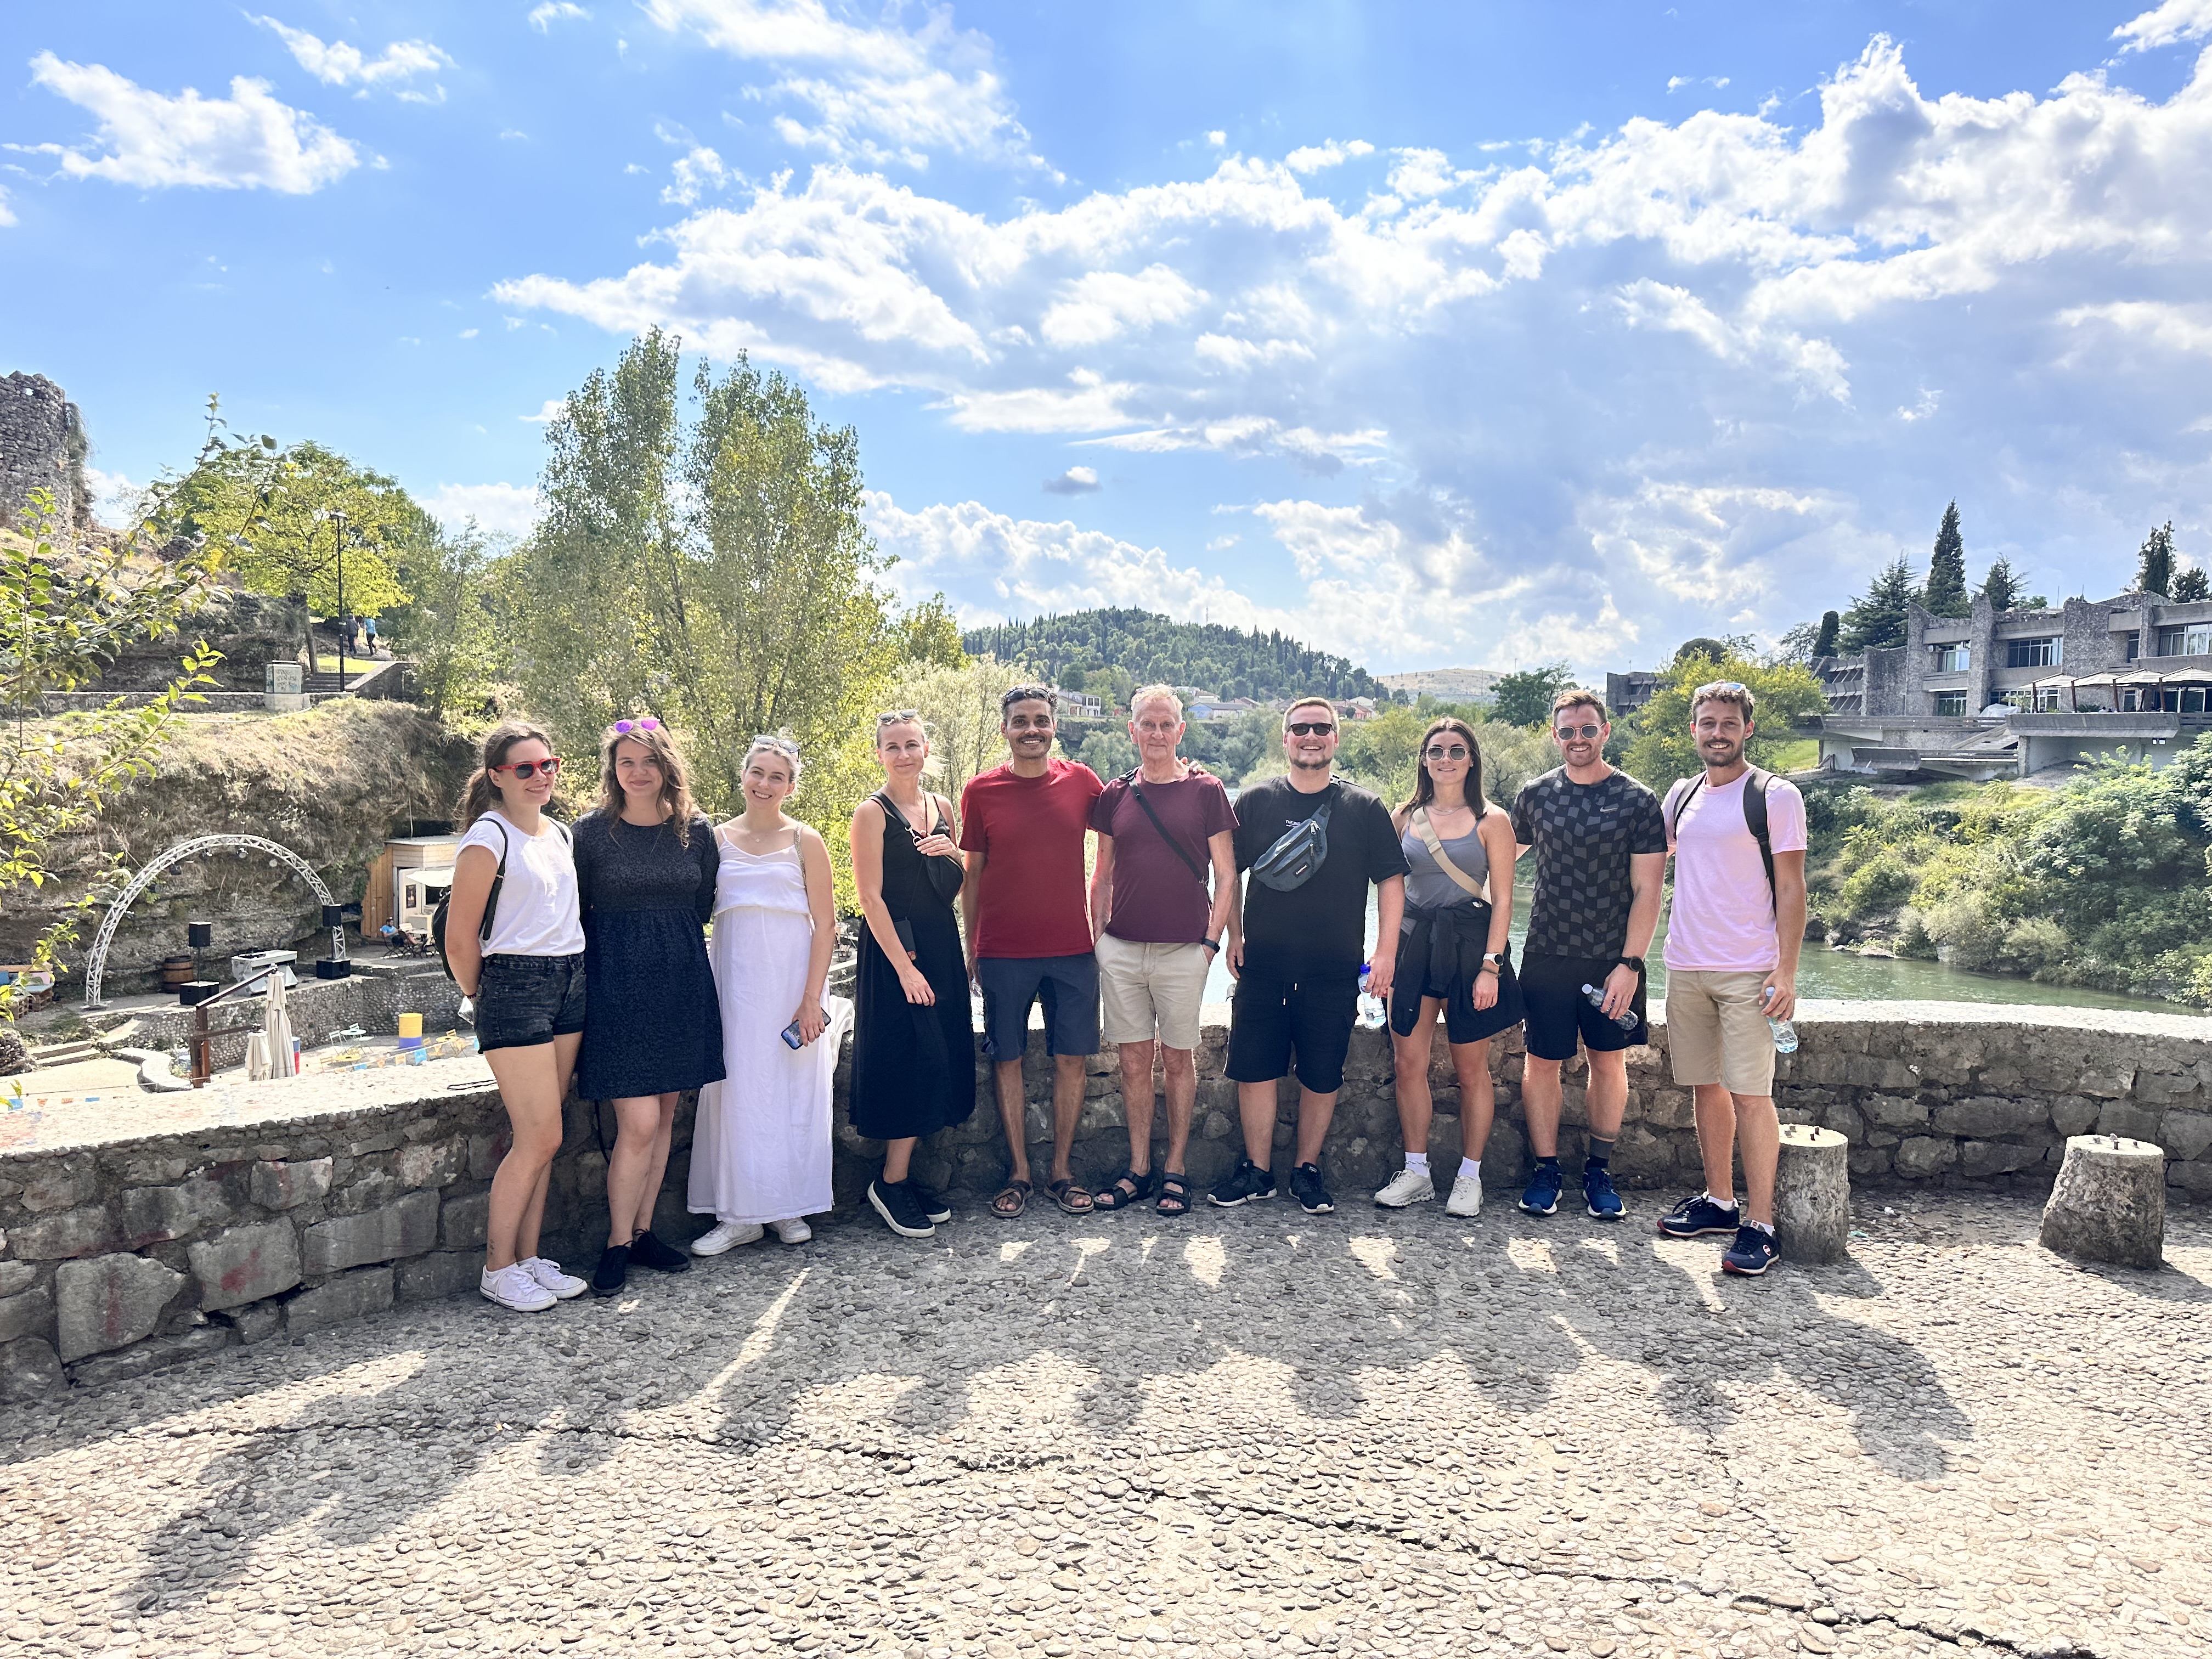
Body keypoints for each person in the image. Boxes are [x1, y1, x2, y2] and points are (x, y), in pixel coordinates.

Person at [1211, 698, 1408, 1216]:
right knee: (1254, 1068)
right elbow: (1228, 875)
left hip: (1333, 966)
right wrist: (1233, 936)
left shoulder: (1365, 809)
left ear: (1337, 739)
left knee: (1322, 1071)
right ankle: (1257, 1172)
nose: (1311, 736)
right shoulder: (1255, 802)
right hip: (1265, 963)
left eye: (1323, 728)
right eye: (1301, 728)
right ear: (1286, 739)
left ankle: (1306, 1170)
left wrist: (1386, 951)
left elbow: (1391, 881)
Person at [1654, 681, 1809, 1277]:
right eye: (1707, 723)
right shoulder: (1682, 794)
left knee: (1751, 1094)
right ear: (1693, 730)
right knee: (1705, 1087)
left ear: (1748, 729)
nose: (1717, 732)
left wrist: (1787, 970)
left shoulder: (1775, 795)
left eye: (1728, 723)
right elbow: (1650, 859)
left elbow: (1792, 886)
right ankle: (1720, 1202)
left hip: (1750, 969)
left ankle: (1762, 1225)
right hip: (1686, 963)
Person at [571, 718, 725, 1296]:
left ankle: (641, 1233)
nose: (638, 773)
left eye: (649, 762)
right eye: (626, 762)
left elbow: (702, 904)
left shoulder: (697, 832)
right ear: (613, 770)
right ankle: (615, 1243)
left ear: (667, 767)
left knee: (663, 1117)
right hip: (616, 987)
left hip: (681, 983)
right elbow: (575, 912)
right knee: (636, 1122)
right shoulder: (587, 835)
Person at [443, 721, 590, 1313]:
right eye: (524, 768)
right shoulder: (488, 837)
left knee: (548, 1137)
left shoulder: (558, 833)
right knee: (539, 1135)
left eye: (547, 765)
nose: (539, 777)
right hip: (516, 985)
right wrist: (490, 997)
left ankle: (528, 1260)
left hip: (570, 980)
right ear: (497, 777)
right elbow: (460, 940)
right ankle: (497, 1268)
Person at [1509, 691, 1666, 1222]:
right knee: (1542, 1062)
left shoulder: (1638, 800)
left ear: (1605, 731)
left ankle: (1599, 1170)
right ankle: (1546, 1170)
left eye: (1588, 729)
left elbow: (1649, 891)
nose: (1578, 739)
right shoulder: (1534, 796)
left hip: (1611, 959)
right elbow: (1496, 862)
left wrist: (1631, 964)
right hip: (1547, 951)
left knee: (1608, 1061)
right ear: (1555, 735)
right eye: (1568, 731)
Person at [1086, 686, 1237, 1218]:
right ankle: (1138, 1168)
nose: (1155, 733)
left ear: (1181, 731)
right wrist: (1099, 939)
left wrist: (1210, 945)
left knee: (1178, 1059)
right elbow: (1101, 874)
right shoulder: (1114, 795)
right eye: (1146, 724)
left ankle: (1175, 1168)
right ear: (1132, 731)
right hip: (1122, 950)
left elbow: (1226, 875)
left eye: (1165, 724)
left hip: (1183, 953)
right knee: (1132, 1061)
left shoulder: (1207, 791)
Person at [689, 735, 843, 1254]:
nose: (765, 783)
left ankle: (787, 1207)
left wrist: (810, 998)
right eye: (757, 772)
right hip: (732, 983)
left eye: (777, 776)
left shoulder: (807, 841)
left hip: (792, 982)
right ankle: (738, 1215)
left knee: (792, 1090)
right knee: (736, 1091)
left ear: (791, 787)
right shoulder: (714, 840)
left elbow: (826, 925)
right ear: (743, 775)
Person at [960, 685, 1105, 1219]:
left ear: (1053, 727)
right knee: (1008, 1060)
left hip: (1073, 951)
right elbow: (971, 877)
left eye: (1041, 720)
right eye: (1020, 721)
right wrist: (971, 945)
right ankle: (1019, 1172)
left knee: (1072, 1061)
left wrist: (1184, 775)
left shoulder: (1082, 782)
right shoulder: (981, 791)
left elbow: (1130, 818)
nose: (1031, 730)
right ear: (1005, 729)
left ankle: (1062, 1173)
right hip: (1003, 953)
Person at [1374, 717, 1524, 1217]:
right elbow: (1387, 890)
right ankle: (1416, 1172)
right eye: (1436, 750)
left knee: (1471, 1069)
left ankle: (1469, 1176)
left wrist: (1492, 966)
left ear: (1472, 760)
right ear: (1423, 759)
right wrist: (1385, 953)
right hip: (1414, 948)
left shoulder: (1492, 820)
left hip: (1469, 949)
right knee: (1408, 1064)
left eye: (1457, 751)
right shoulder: (1404, 816)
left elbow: (1503, 900)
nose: (1446, 759)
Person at [851, 710, 975, 1238]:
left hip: (941, 947)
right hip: (895, 956)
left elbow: (954, 880)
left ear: (927, 750)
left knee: (937, 1056)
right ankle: (890, 1182)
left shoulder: (941, 807)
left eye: (911, 744)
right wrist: (904, 969)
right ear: (879, 754)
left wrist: (957, 854)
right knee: (906, 1058)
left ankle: (902, 1177)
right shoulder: (871, 813)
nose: (903, 754)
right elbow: (868, 897)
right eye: (892, 746)